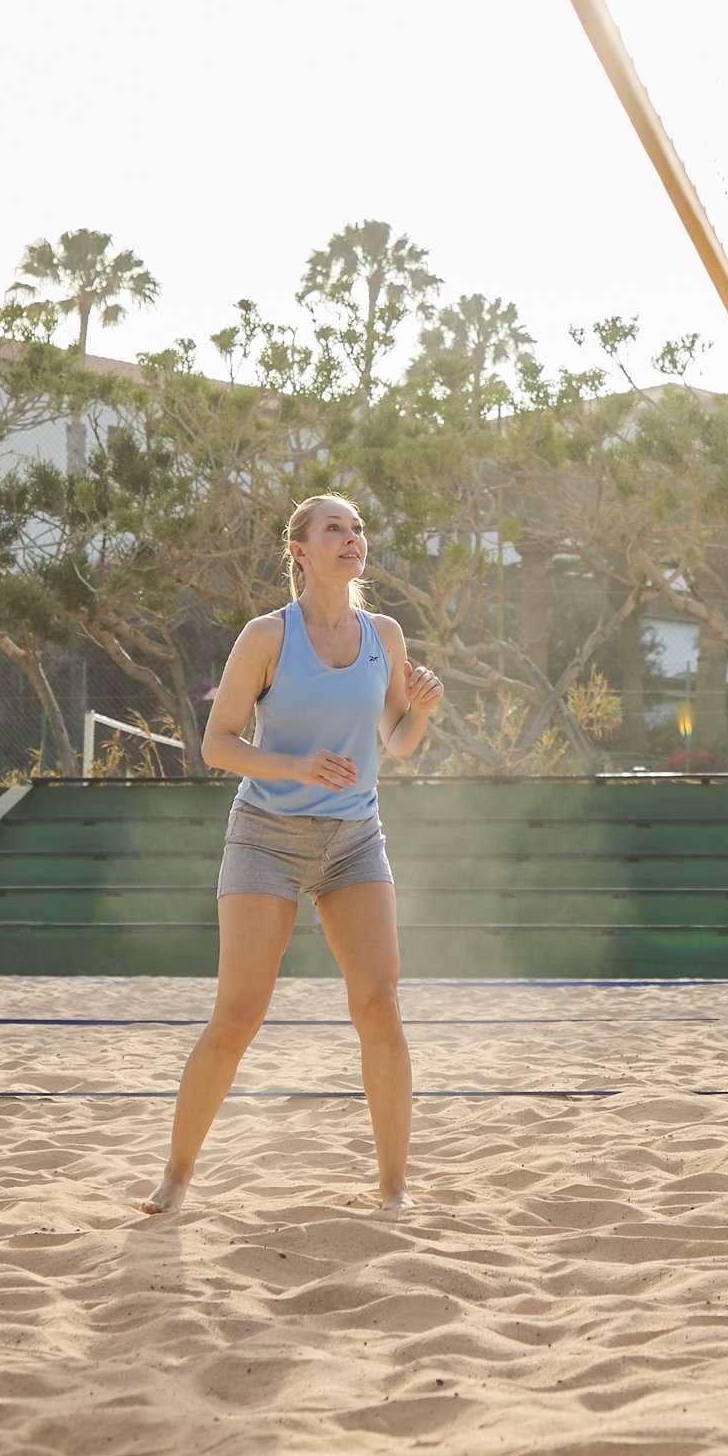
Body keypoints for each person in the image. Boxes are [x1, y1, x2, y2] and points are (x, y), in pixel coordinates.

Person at [143, 493, 446, 1215]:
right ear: (300, 551)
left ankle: (394, 1186)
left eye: (359, 527)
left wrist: (422, 711)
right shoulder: (266, 636)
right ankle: (177, 1176)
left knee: (380, 1005)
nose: (352, 537)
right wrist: (297, 766)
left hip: (354, 841)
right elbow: (217, 743)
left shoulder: (385, 634)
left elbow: (395, 742)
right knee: (239, 1015)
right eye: (334, 528)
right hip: (266, 838)